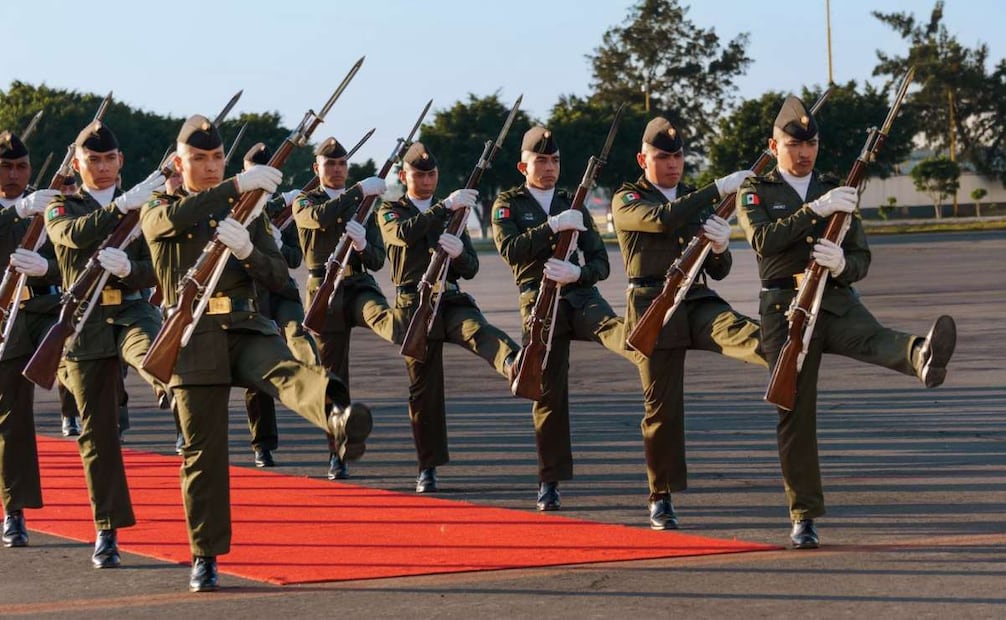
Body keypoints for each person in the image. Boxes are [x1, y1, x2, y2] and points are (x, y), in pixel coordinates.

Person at [140, 114, 372, 592]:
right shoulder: (159, 207)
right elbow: (170, 221)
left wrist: (247, 248)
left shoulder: (250, 211)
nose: (209, 167)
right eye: (199, 159)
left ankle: (337, 413)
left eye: (217, 159)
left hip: (245, 326)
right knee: (204, 454)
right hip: (192, 337)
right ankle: (204, 554)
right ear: (178, 163)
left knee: (288, 369)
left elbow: (279, 277)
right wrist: (235, 186)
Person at [735, 96, 957, 549]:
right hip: (784, 307)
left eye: (811, 143)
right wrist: (815, 211)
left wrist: (840, 265)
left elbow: (861, 258)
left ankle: (922, 354)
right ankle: (804, 515)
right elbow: (762, 240)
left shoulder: (837, 187)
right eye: (794, 144)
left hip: (834, 300)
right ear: (773, 145)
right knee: (795, 415)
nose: (804, 152)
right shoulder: (757, 191)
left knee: (873, 337)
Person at [611, 117, 767, 530]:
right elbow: (662, 219)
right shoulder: (627, 198)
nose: (673, 164)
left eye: (678, 156)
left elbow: (718, 270)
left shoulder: (693, 198)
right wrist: (717, 189)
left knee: (741, 330)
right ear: (643, 159)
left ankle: (788, 349)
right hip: (652, 307)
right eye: (663, 157)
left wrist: (719, 246)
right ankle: (659, 495)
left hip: (695, 299)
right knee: (661, 410)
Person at [491, 127, 642, 511]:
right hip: (540, 301)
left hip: (579, 296)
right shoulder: (507, 204)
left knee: (615, 331)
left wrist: (578, 274)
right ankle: (549, 480)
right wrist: (552, 228)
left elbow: (601, 263)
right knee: (548, 394)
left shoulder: (571, 202)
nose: (549, 167)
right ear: (522, 165)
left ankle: (646, 355)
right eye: (541, 160)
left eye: (555, 160)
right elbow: (511, 251)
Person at [42, 121, 167, 568]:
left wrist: (129, 271)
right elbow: (71, 237)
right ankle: (107, 528)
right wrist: (121, 209)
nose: (101, 166)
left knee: (152, 349)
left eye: (109, 158)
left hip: (132, 308)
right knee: (98, 435)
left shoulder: (148, 206)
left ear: (121, 161)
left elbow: (157, 268)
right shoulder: (61, 205)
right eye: (92, 159)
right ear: (77, 164)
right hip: (85, 322)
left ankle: (167, 385)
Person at [377, 142, 519, 494]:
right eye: (419, 174)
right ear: (403, 176)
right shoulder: (391, 209)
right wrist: (443, 207)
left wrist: (457, 254)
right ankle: (428, 467)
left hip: (450, 299)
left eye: (431, 174)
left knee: (478, 330)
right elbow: (402, 235)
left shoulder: (454, 215)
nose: (426, 180)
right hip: (414, 305)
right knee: (424, 392)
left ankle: (515, 361)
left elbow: (470, 267)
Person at [292, 137, 396, 480]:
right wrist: (357, 193)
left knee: (383, 317)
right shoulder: (305, 201)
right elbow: (318, 219)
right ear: (316, 168)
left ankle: (405, 333)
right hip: (324, 290)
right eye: (330, 164)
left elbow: (378, 259)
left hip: (358, 285)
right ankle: (337, 452)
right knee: (334, 379)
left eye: (342, 164)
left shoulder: (365, 205)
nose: (337, 169)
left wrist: (364, 243)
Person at [0, 130, 64, 547]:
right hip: (5, 319)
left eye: (22, 166)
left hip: (30, 318)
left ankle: (14, 511)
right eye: (6, 166)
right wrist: (17, 212)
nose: (14, 174)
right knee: (11, 419)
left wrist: (46, 269)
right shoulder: (24, 210)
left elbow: (72, 263)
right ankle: (14, 509)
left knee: (14, 420)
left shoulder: (46, 210)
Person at [239, 142, 319, 468]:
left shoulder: (285, 213)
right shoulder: (236, 210)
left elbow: (294, 259)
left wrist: (279, 241)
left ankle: (316, 382)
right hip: (252, 296)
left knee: (299, 332)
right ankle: (263, 444)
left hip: (282, 292)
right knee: (257, 375)